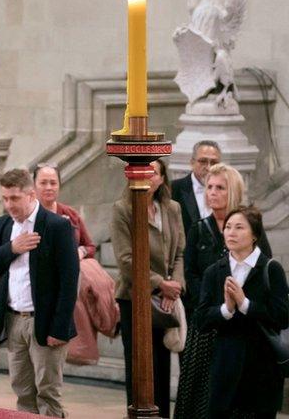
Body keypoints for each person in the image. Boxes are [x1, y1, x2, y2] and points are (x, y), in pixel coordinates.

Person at [0, 168, 78, 417]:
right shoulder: (3, 225)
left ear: (31, 194)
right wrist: (12, 248)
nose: (8, 204)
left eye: (14, 198)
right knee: (23, 392)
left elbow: (69, 281)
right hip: (14, 320)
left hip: (44, 322)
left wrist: (59, 328)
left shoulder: (56, 226)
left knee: (48, 393)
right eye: (4, 198)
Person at [110, 159, 184, 418]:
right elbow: (126, 259)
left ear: (162, 179)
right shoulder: (123, 209)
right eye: (144, 171)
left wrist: (173, 286)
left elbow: (180, 254)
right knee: (140, 364)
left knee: (162, 364)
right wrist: (160, 284)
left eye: (154, 173)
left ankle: (162, 415)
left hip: (167, 297)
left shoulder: (172, 208)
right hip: (134, 297)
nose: (148, 176)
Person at [197, 206, 286, 419]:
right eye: (228, 227)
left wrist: (245, 304)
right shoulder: (214, 271)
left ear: (255, 235)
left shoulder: (271, 269)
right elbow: (201, 320)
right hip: (225, 369)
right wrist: (226, 309)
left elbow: (282, 315)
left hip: (262, 371)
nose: (231, 233)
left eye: (239, 227)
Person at [174, 162, 246, 419]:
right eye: (209, 187)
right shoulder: (198, 230)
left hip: (239, 322)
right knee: (199, 394)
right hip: (205, 323)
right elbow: (191, 273)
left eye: (220, 188)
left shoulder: (248, 228)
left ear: (233, 191)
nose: (212, 192)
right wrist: (210, 304)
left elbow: (261, 265)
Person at [33, 163, 118, 366]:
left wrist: (79, 252)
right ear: (34, 186)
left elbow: (89, 245)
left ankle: (105, 325)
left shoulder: (70, 214)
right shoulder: (30, 216)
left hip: (72, 275)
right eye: (43, 183)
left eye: (53, 183)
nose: (49, 187)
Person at [172, 140, 222, 237]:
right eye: (203, 161)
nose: (209, 167)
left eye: (214, 162)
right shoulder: (174, 189)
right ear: (192, 162)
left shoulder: (227, 190)